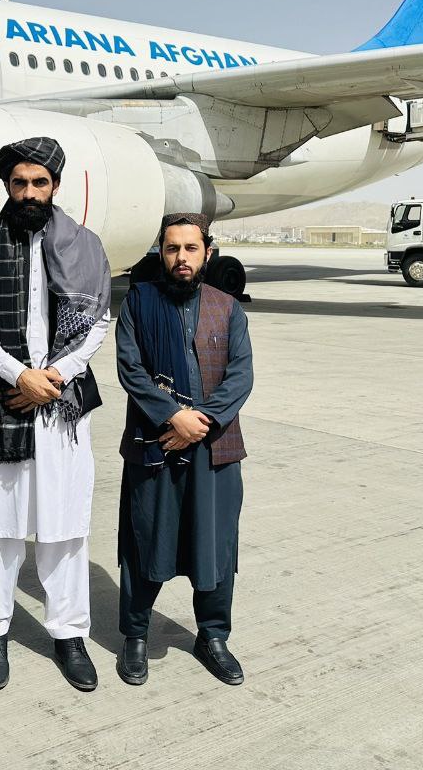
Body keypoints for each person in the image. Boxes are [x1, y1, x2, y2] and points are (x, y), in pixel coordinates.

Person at [0, 137, 111, 693]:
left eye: (38, 183)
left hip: (62, 404)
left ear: (55, 187)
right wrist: (19, 375)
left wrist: (56, 376)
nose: (28, 192)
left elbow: (99, 321)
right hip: (2, 397)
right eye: (19, 182)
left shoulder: (86, 246)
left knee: (65, 525)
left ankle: (69, 634)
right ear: (7, 185)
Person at [115, 213, 254, 687]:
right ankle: (135, 635)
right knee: (145, 539)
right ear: (161, 253)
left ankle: (213, 636)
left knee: (216, 545)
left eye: (190, 248)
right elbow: (131, 369)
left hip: (215, 447)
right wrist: (172, 416)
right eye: (172, 248)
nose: (181, 258)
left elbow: (241, 375)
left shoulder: (228, 308)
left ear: (207, 253)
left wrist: (200, 423)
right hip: (156, 441)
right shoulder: (139, 302)